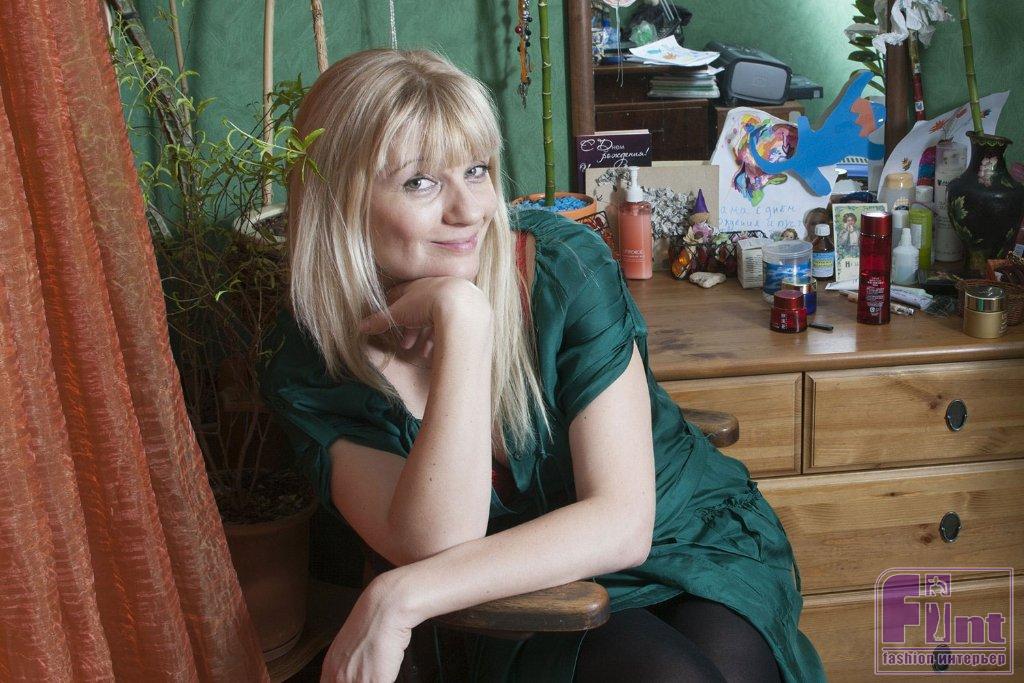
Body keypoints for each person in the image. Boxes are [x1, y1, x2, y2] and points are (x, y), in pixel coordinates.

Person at [258, 48, 826, 682]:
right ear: (341, 200)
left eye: (476, 171)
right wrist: (465, 324)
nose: (469, 210)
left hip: (684, 536)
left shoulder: (562, 264)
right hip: (507, 590)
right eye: (420, 182)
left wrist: (397, 597)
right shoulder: (312, 359)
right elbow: (437, 546)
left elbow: (622, 524)